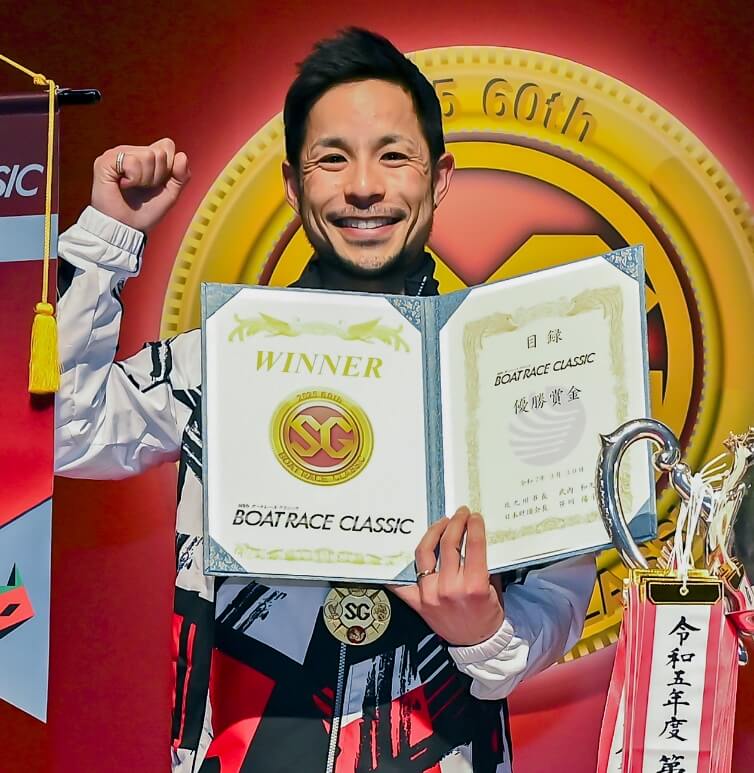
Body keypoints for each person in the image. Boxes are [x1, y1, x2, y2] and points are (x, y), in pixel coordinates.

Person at [55, 28, 595, 773]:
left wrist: (488, 634)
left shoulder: (503, 372)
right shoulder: (225, 356)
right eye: (333, 159)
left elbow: (558, 596)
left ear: (439, 177)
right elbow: (66, 429)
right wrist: (109, 235)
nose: (364, 186)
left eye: (393, 156)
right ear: (292, 183)